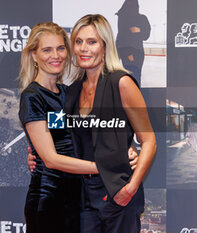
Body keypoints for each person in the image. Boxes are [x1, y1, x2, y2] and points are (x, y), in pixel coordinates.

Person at [19, 22, 138, 233]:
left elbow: (72, 137)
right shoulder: (32, 97)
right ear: (34, 56)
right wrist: (109, 166)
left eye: (60, 48)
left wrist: (126, 149)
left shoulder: (68, 92)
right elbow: (51, 159)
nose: (55, 55)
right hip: (49, 199)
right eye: (47, 50)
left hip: (78, 198)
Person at [65, 14, 156, 233]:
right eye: (78, 42)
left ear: (105, 47)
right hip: (83, 195)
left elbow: (149, 140)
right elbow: (61, 134)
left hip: (117, 191)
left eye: (92, 42)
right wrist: (35, 154)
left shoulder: (122, 83)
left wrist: (130, 188)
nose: (84, 49)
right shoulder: (73, 91)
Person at [116, 0, 150, 84]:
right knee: (131, 80)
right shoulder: (123, 18)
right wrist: (128, 54)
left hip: (138, 53)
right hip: (127, 53)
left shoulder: (142, 18)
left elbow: (146, 35)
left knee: (136, 79)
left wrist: (139, 30)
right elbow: (122, 37)